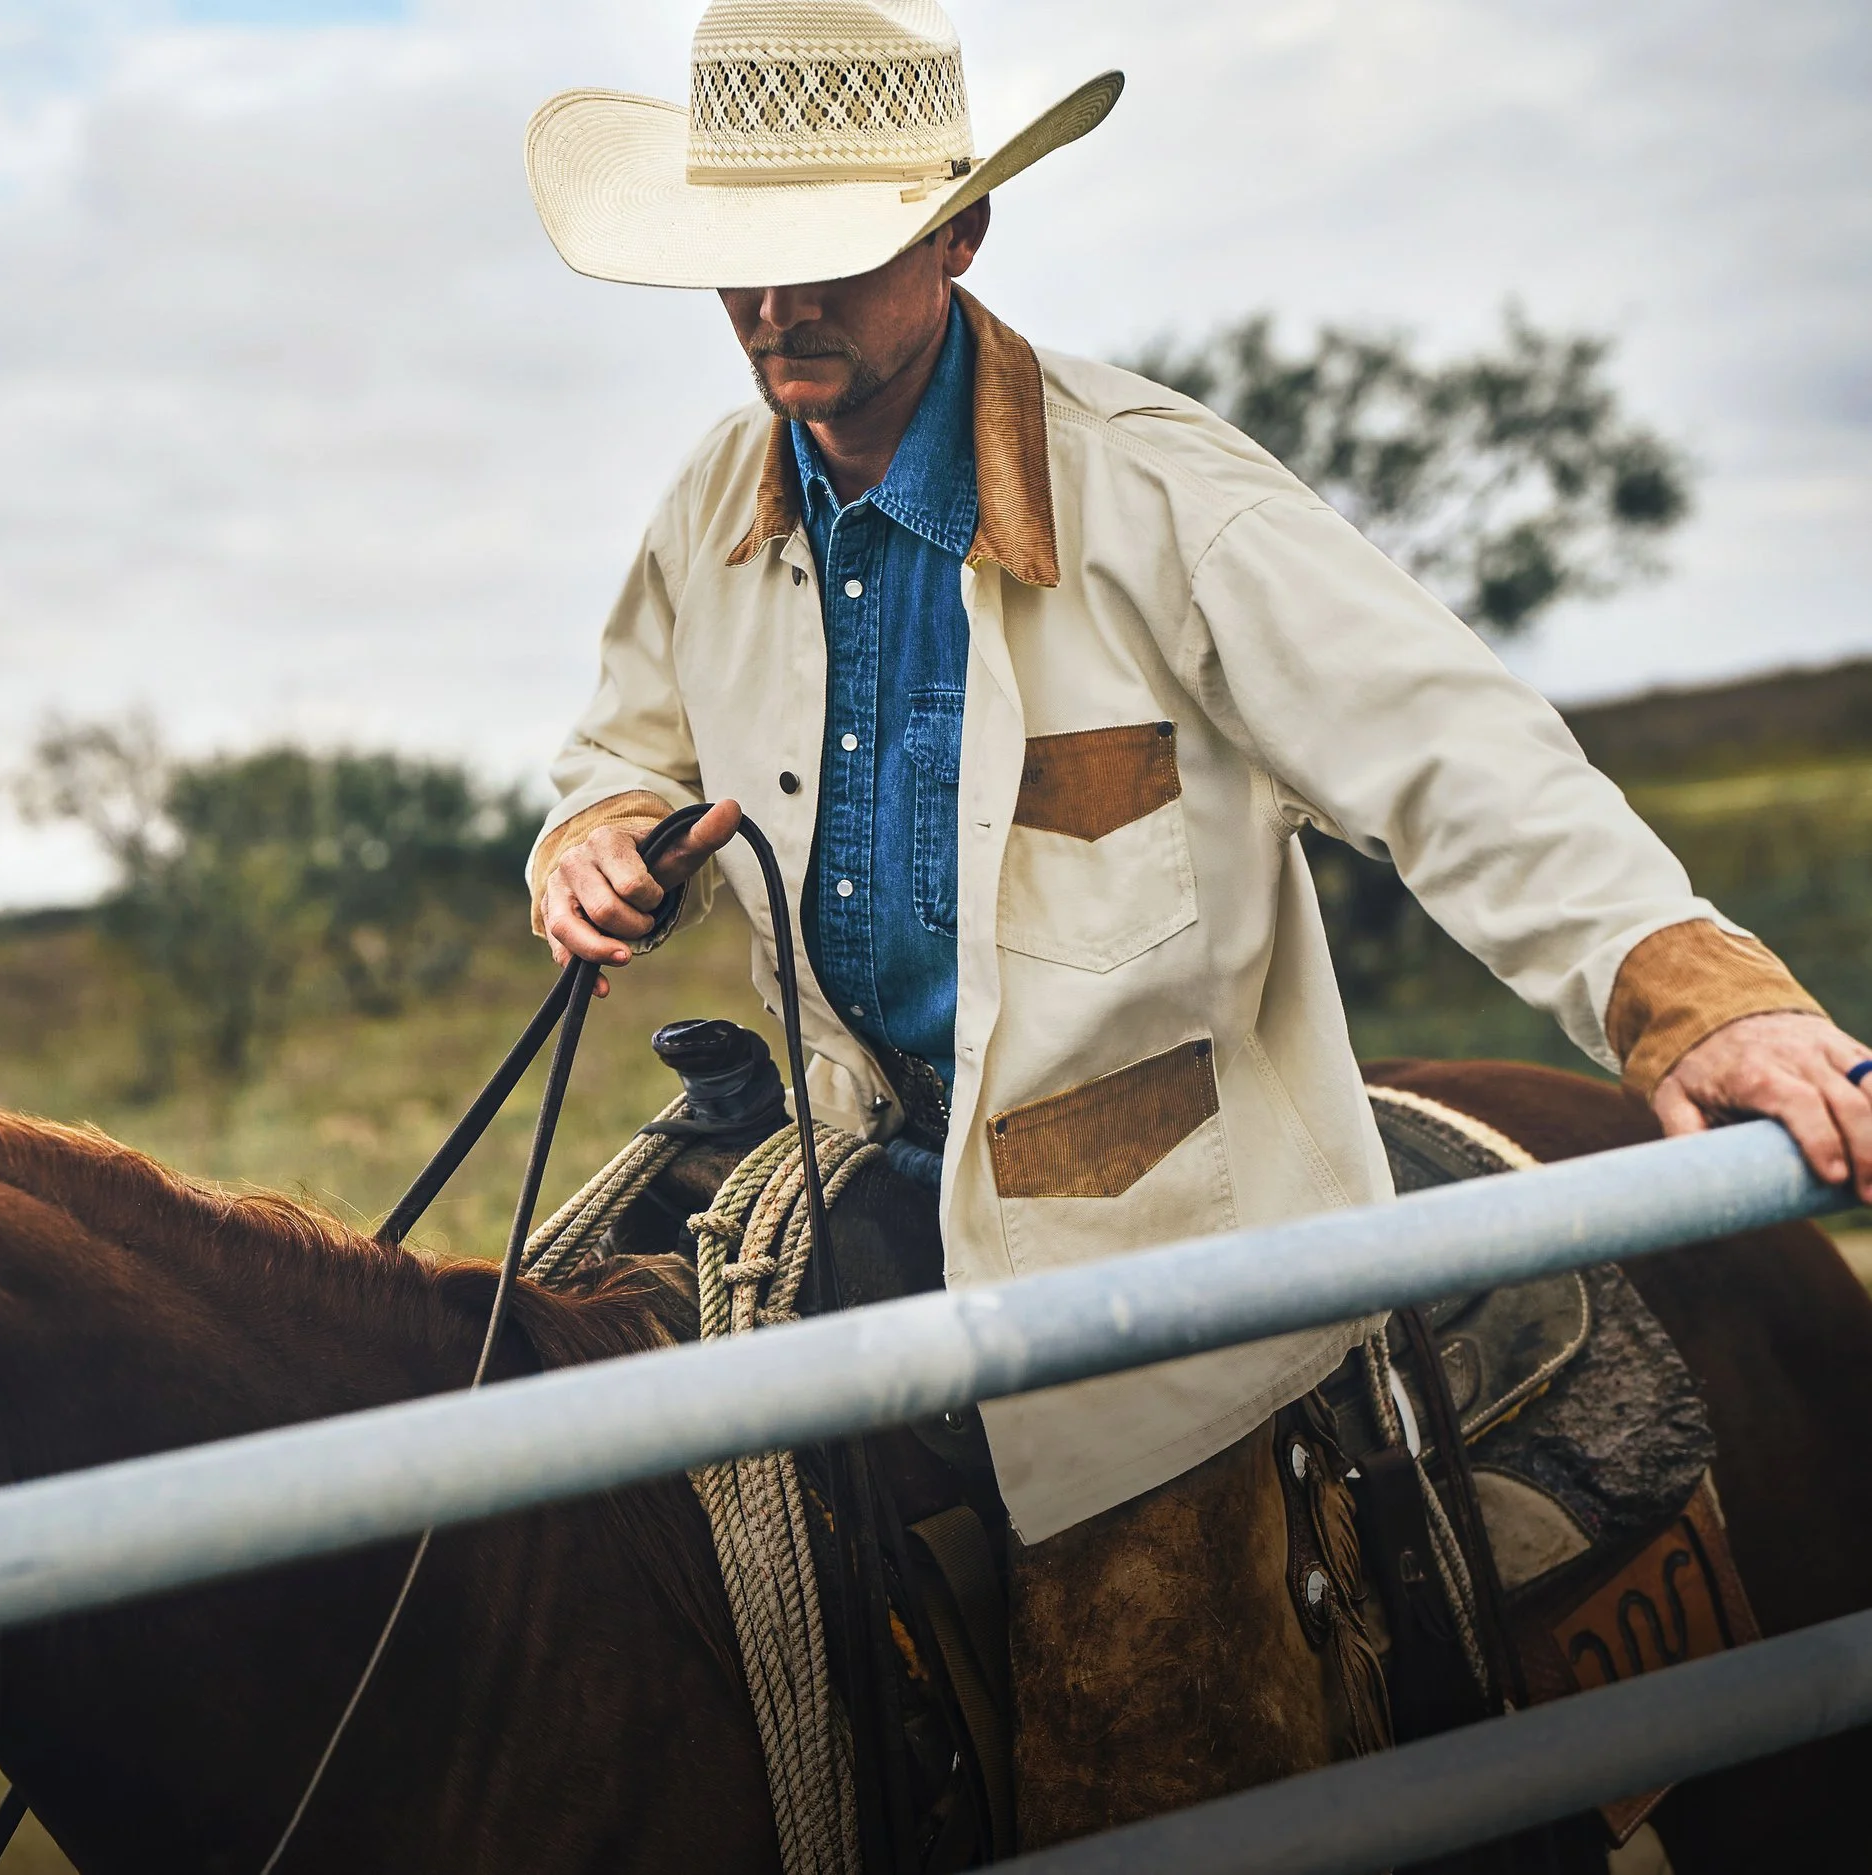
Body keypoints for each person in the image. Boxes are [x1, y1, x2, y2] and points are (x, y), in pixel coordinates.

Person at [519, 0, 1872, 1841]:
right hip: (857, 1154)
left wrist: (1692, 997)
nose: (774, 314)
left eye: (824, 261)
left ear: (959, 236)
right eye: (736, 272)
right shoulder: (715, 501)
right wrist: (596, 823)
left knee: (1148, 1748)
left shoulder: (1158, 488)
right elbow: (630, 722)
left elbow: (1446, 747)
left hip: (1161, 1230)